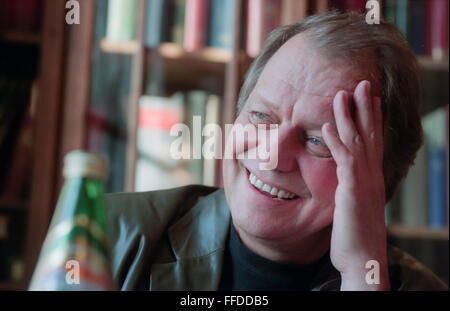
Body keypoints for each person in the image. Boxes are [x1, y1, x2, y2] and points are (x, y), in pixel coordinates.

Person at [105, 11, 448, 291]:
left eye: (318, 141)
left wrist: (361, 274)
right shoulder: (106, 235)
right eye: (260, 116)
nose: (272, 154)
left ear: (382, 178)